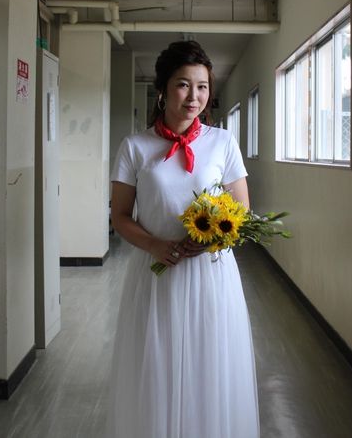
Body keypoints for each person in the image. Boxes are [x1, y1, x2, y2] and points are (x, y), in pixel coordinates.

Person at [106, 40, 260, 438]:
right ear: (162, 89)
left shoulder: (222, 142)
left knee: (208, 364)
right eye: (183, 85)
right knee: (158, 365)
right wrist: (155, 245)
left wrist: (210, 241)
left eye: (202, 86)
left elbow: (241, 212)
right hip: (156, 273)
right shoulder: (134, 147)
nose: (194, 96)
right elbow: (119, 216)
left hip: (211, 273)